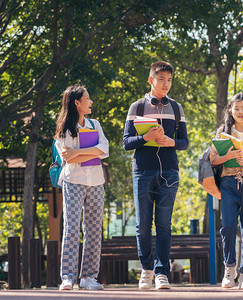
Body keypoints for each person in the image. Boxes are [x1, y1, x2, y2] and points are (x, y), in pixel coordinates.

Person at [123, 61, 189, 290]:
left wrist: (171, 142)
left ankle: (162, 273)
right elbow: (126, 143)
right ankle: (147, 270)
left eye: (169, 80)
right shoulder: (137, 107)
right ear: (151, 80)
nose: (166, 84)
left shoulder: (177, 108)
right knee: (142, 224)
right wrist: (145, 139)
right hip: (142, 171)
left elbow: (184, 143)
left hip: (170, 172)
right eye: (162, 80)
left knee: (164, 224)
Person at [54, 84, 109, 291]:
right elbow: (66, 157)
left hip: (96, 182)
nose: (91, 102)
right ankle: (67, 277)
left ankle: (88, 277)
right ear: (77, 102)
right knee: (71, 229)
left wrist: (79, 153)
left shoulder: (95, 124)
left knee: (94, 230)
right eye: (87, 98)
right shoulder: (64, 129)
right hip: (73, 181)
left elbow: (104, 150)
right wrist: (90, 152)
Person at [210, 93, 243, 289]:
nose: (240, 112)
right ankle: (229, 270)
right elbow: (213, 160)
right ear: (230, 110)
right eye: (236, 108)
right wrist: (228, 156)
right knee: (228, 227)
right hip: (228, 184)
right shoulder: (222, 132)